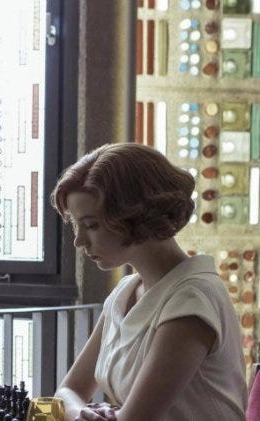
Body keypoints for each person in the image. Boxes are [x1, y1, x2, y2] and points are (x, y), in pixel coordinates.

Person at [50, 143, 247, 420]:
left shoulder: (192, 299)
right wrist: (84, 414)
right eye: (75, 225)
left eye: (92, 225)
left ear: (135, 216)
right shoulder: (124, 293)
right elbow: (67, 391)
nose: (79, 240)